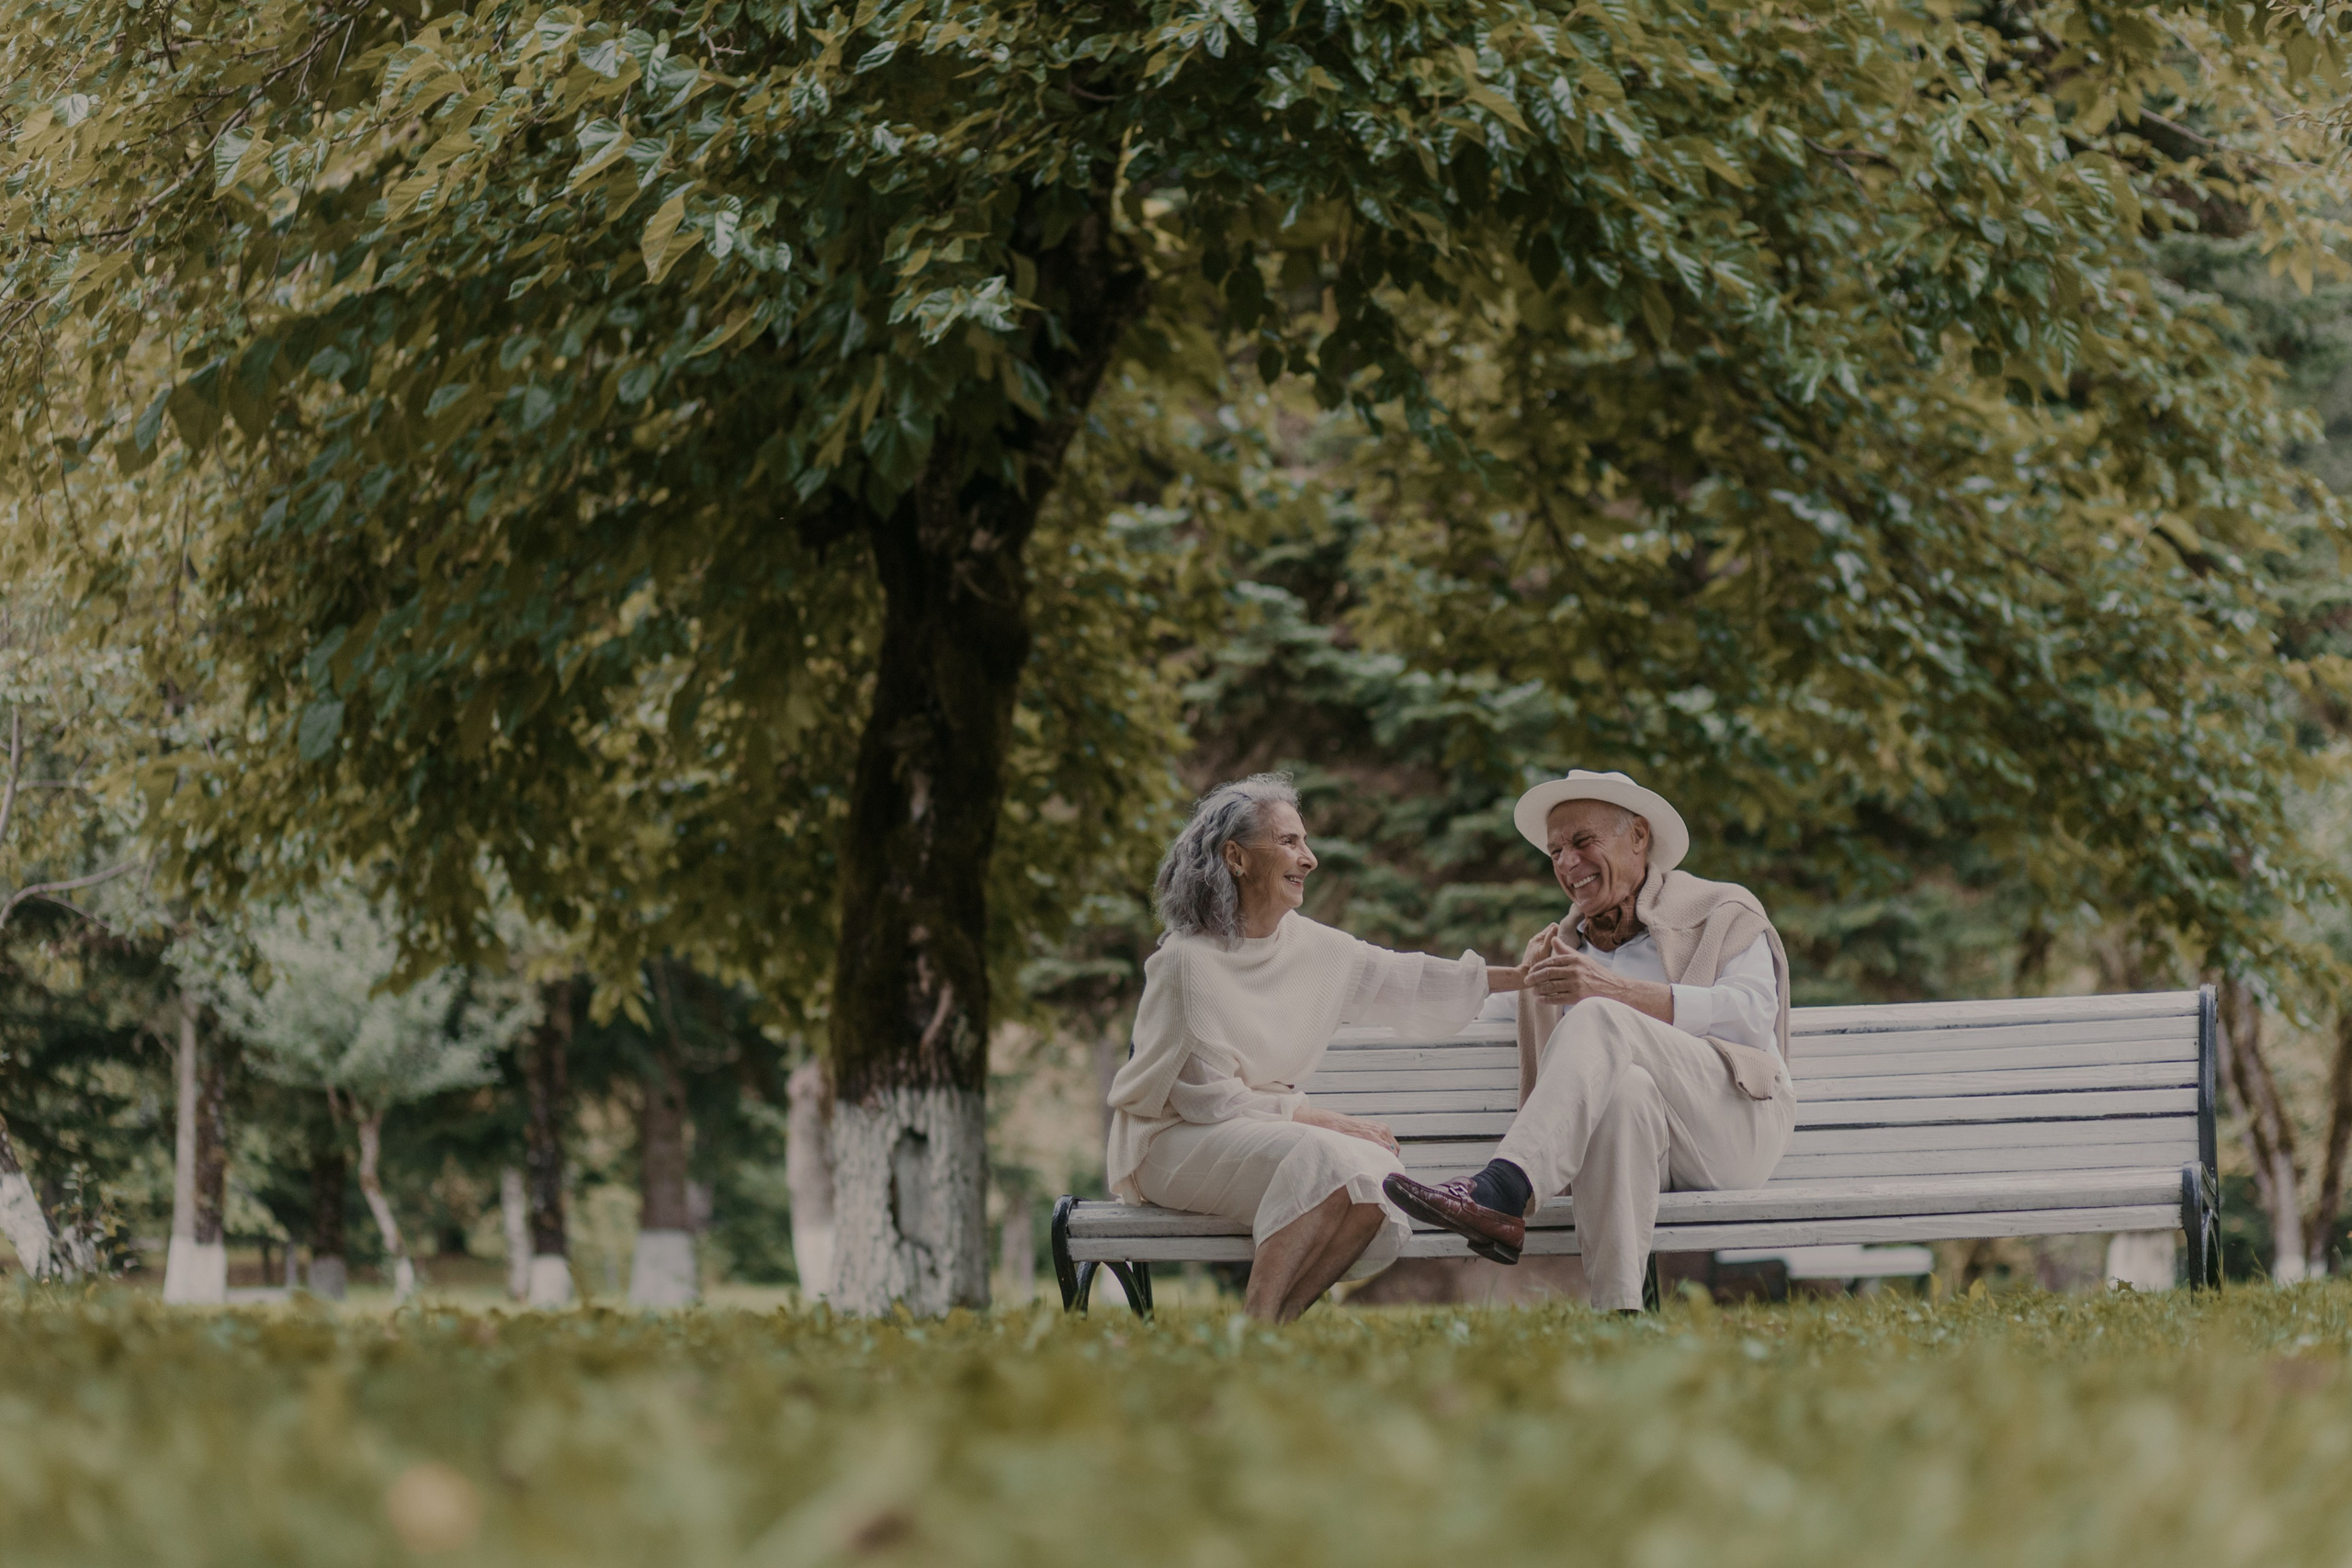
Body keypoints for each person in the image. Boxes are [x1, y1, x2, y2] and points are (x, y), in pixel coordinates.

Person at [1106, 773, 1524, 1322]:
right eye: (1288, 842)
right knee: (1322, 1155)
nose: (1309, 858)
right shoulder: (1188, 962)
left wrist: (1523, 977)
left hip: (1263, 1130)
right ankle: (1255, 1328)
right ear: (1236, 858)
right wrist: (1320, 1119)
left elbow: (1409, 980)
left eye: (1305, 842)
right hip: (1171, 1141)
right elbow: (1205, 1102)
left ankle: (1269, 1329)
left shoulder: (1316, 947)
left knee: (1375, 1174)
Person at [1383, 771, 1798, 1311]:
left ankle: (1503, 1191)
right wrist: (1362, 1004)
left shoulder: (1723, 913)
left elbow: (1750, 1016)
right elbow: (1479, 1013)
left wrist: (1615, 991)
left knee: (1601, 1014)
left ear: (1639, 837)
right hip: (1645, 1141)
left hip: (1736, 1127)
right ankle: (1620, 1313)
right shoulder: (1557, 952)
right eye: (1555, 851)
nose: (1566, 863)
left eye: (1582, 842)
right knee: (1622, 1092)